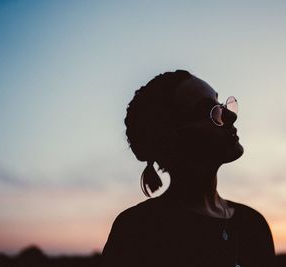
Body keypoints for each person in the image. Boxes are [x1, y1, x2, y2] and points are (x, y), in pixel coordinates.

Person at [102, 70, 275, 267]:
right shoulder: (138, 230)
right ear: (172, 137)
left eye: (220, 104)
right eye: (212, 111)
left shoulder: (252, 224)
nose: (229, 116)